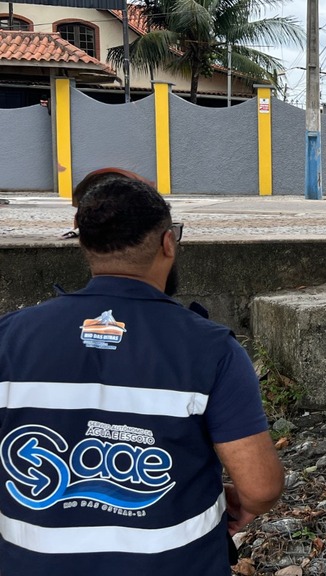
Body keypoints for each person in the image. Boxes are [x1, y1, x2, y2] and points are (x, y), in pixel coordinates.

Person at [0, 177, 284, 575]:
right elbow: (262, 487)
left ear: (85, 246)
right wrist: (243, 504)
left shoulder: (10, 337)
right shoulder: (211, 349)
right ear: (168, 243)